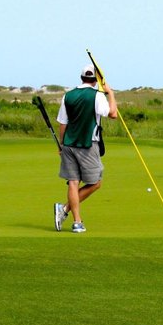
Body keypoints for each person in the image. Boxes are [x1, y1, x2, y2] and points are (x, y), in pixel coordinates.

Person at [53, 64, 118, 233]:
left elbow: (63, 123)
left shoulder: (68, 95)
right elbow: (113, 114)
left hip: (68, 145)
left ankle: (75, 221)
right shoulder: (97, 95)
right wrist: (110, 93)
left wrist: (62, 145)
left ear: (81, 78)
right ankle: (66, 211)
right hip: (88, 145)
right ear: (96, 80)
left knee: (73, 182)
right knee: (95, 183)